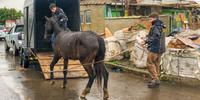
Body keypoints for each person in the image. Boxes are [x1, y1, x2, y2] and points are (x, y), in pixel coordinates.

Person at [145, 12, 165, 88]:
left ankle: (155, 79)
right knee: (156, 64)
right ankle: (156, 79)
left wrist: (146, 41)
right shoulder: (161, 25)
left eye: (150, 19)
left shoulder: (155, 27)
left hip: (154, 49)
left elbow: (155, 37)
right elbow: (157, 36)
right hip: (160, 49)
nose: (149, 20)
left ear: (155, 18)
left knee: (149, 64)